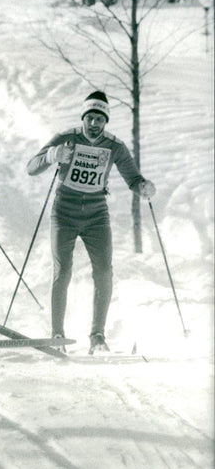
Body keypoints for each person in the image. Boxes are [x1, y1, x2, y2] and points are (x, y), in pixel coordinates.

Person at [27, 91, 156, 353]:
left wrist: (144, 187)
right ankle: (57, 335)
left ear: (105, 121)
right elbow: (32, 167)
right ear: (83, 117)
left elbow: (133, 178)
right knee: (62, 270)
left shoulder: (114, 146)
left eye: (100, 119)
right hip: (64, 210)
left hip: (97, 213)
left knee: (104, 272)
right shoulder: (67, 137)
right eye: (90, 118)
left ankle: (97, 337)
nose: (95, 124)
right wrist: (53, 155)